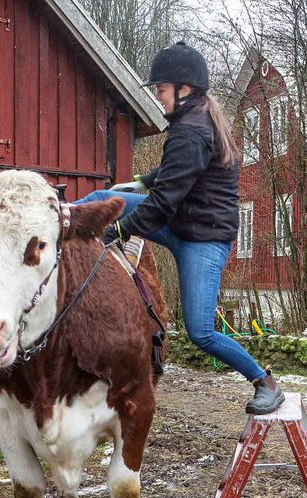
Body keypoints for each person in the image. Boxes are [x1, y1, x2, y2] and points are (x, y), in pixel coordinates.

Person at [71, 42, 284, 415]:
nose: (159, 98)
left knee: (200, 331)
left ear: (184, 89)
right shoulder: (195, 121)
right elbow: (173, 175)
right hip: (181, 221)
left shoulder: (191, 131)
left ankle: (264, 382)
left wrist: (121, 231)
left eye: (161, 90)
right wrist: (138, 183)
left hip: (203, 240)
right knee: (102, 200)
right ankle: (55, 220)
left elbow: (163, 202)